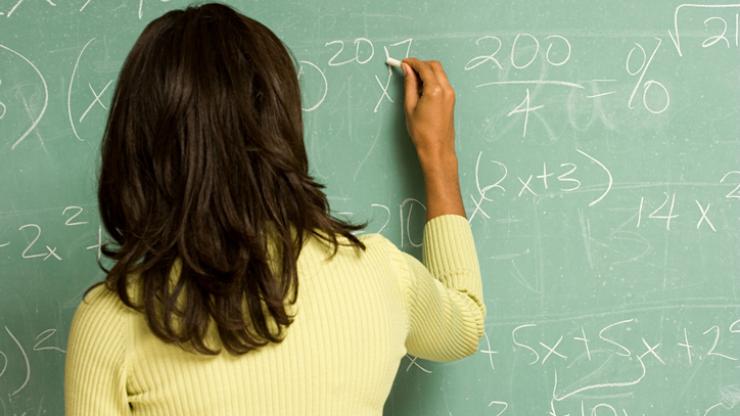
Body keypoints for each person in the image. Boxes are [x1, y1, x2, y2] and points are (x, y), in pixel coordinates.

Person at [64, 3, 485, 415]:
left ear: (136, 142)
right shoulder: (382, 274)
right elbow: (465, 323)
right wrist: (438, 152)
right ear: (280, 122)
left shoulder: (113, 321)